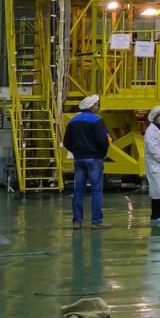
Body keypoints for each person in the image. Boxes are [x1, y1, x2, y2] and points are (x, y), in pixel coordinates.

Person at [63, 94, 110, 228]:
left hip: (79, 159)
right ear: (91, 106)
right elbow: (103, 141)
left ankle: (77, 221)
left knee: (78, 190)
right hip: (94, 159)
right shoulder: (97, 120)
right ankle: (96, 222)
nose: (97, 106)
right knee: (96, 190)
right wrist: (101, 154)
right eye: (96, 104)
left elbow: (67, 142)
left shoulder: (72, 121)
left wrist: (76, 152)